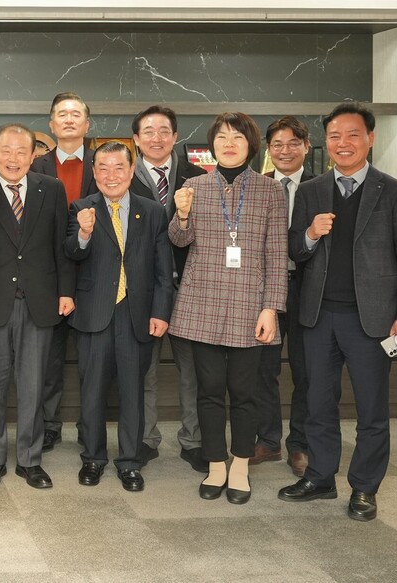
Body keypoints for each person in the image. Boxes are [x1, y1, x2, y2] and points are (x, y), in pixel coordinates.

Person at [278, 103, 397, 522]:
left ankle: (364, 487)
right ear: (326, 142)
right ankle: (321, 477)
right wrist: (308, 233)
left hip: (372, 321)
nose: (344, 144)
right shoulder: (310, 190)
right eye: (336, 136)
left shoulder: (395, 191)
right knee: (318, 404)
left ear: (370, 139)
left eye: (353, 135)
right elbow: (294, 251)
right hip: (318, 317)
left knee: (371, 409)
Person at [169, 112, 288, 505]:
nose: (228, 142)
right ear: (212, 144)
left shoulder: (271, 191)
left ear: (251, 145)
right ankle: (215, 462)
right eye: (221, 136)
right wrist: (182, 212)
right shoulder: (194, 185)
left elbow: (276, 255)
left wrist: (271, 308)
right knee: (208, 391)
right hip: (201, 301)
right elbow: (179, 240)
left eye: (237, 136)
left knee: (244, 392)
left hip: (249, 305)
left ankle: (240, 463)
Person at [0, 123, 75, 489]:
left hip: (38, 302)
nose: (13, 158)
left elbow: (61, 246)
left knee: (33, 387)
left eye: (21, 151)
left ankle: (30, 460)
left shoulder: (51, 189)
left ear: (32, 155)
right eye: (6, 151)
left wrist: (66, 292)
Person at [65, 141, 174, 492]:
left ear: (131, 171)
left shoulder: (152, 211)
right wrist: (82, 233)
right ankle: (93, 458)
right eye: (103, 168)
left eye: (118, 168)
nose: (111, 175)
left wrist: (160, 311)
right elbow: (69, 256)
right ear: (94, 172)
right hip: (95, 313)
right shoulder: (81, 207)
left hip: (136, 314)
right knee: (92, 391)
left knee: (133, 392)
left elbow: (163, 269)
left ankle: (129, 461)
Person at [129, 105, 208, 472]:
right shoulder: (121, 178)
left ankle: (194, 440)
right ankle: (145, 439)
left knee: (193, 370)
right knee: (144, 370)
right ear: (136, 139)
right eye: (148, 131)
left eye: (164, 131)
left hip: (193, 288)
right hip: (142, 290)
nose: (156, 138)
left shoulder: (199, 177)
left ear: (176, 137)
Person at [30, 92, 97, 452]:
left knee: (93, 361)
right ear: (52, 125)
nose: (69, 120)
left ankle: (91, 427)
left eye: (76, 115)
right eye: (62, 115)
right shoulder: (35, 166)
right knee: (48, 361)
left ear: (87, 125)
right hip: (49, 280)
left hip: (95, 278)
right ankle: (49, 425)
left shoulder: (105, 164)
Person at [254, 116, 317, 477]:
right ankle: (268, 440)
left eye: (293, 143)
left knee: (306, 370)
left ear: (306, 146)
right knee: (264, 369)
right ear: (268, 149)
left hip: (309, 290)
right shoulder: (260, 187)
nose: (285, 150)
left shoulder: (321, 186)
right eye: (277, 144)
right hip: (266, 294)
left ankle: (300, 444)